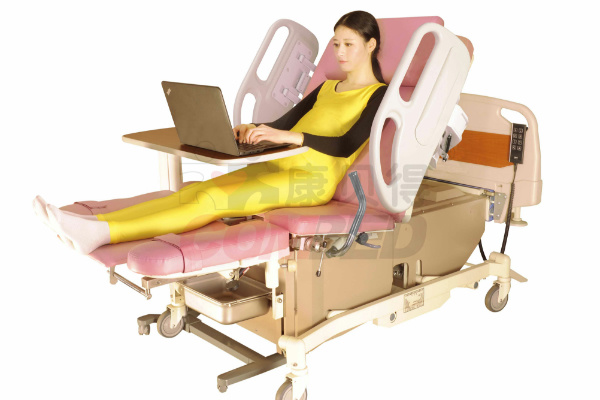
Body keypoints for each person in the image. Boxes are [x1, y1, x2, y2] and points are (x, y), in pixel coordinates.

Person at [33, 10, 389, 255]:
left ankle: (102, 234)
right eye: (336, 44)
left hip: (312, 181)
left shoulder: (378, 95)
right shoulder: (327, 87)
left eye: (349, 44)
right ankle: (92, 223)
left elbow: (347, 145)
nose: (339, 52)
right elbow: (284, 122)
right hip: (278, 164)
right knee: (198, 189)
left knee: (211, 200)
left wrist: (294, 138)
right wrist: (256, 128)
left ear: (370, 45)